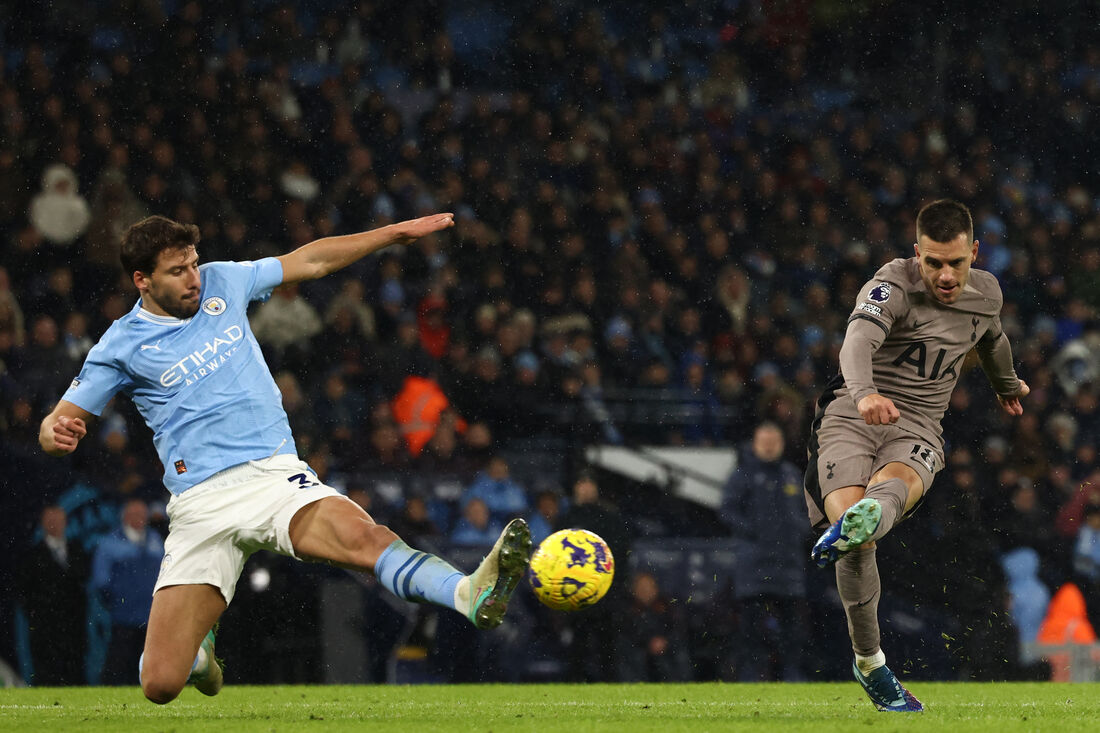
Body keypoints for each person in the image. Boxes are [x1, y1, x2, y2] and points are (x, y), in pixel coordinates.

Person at [38, 213, 532, 704]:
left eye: (192, 263)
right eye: (177, 272)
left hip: (273, 478)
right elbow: (55, 421)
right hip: (200, 506)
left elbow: (311, 260)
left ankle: (467, 592)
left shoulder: (222, 281)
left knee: (365, 539)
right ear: (141, 280)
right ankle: (200, 656)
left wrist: (392, 234)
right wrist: (54, 431)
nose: (193, 278)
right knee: (160, 683)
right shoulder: (119, 347)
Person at [805, 200, 1029, 712]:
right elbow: (857, 341)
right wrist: (864, 393)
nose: (945, 276)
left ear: (974, 251)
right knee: (854, 536)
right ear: (916, 254)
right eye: (933, 263)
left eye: (955, 262)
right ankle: (870, 664)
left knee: (888, 493)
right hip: (852, 414)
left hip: (920, 425)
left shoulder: (987, 293)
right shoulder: (890, 285)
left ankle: (867, 518)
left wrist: (1004, 383)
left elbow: (993, 337)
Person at [721, 421, 809, 681]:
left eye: (774, 442)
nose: (769, 447)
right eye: (764, 442)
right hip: (754, 564)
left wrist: (798, 531)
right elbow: (727, 510)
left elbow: (806, 512)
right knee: (751, 627)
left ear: (781, 444)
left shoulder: (792, 474)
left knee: (793, 628)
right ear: (755, 444)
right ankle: (751, 674)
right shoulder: (742, 475)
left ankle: (792, 675)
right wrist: (756, 532)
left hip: (788, 564)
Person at [91, 499, 164, 685]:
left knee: (149, 666)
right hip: (124, 618)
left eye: (142, 514)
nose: (139, 518)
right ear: (124, 517)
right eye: (133, 514)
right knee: (119, 664)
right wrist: (118, 602)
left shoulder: (155, 539)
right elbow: (101, 581)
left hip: (151, 617)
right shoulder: (110, 543)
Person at [15, 505, 90, 685]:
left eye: (58, 520)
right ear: (42, 524)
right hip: (45, 628)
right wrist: (38, 614)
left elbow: (83, 583)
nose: (54, 524)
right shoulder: (32, 556)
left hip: (74, 627)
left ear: (65, 522)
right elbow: (24, 592)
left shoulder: (77, 550)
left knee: (75, 672)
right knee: (46, 674)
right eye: (50, 520)